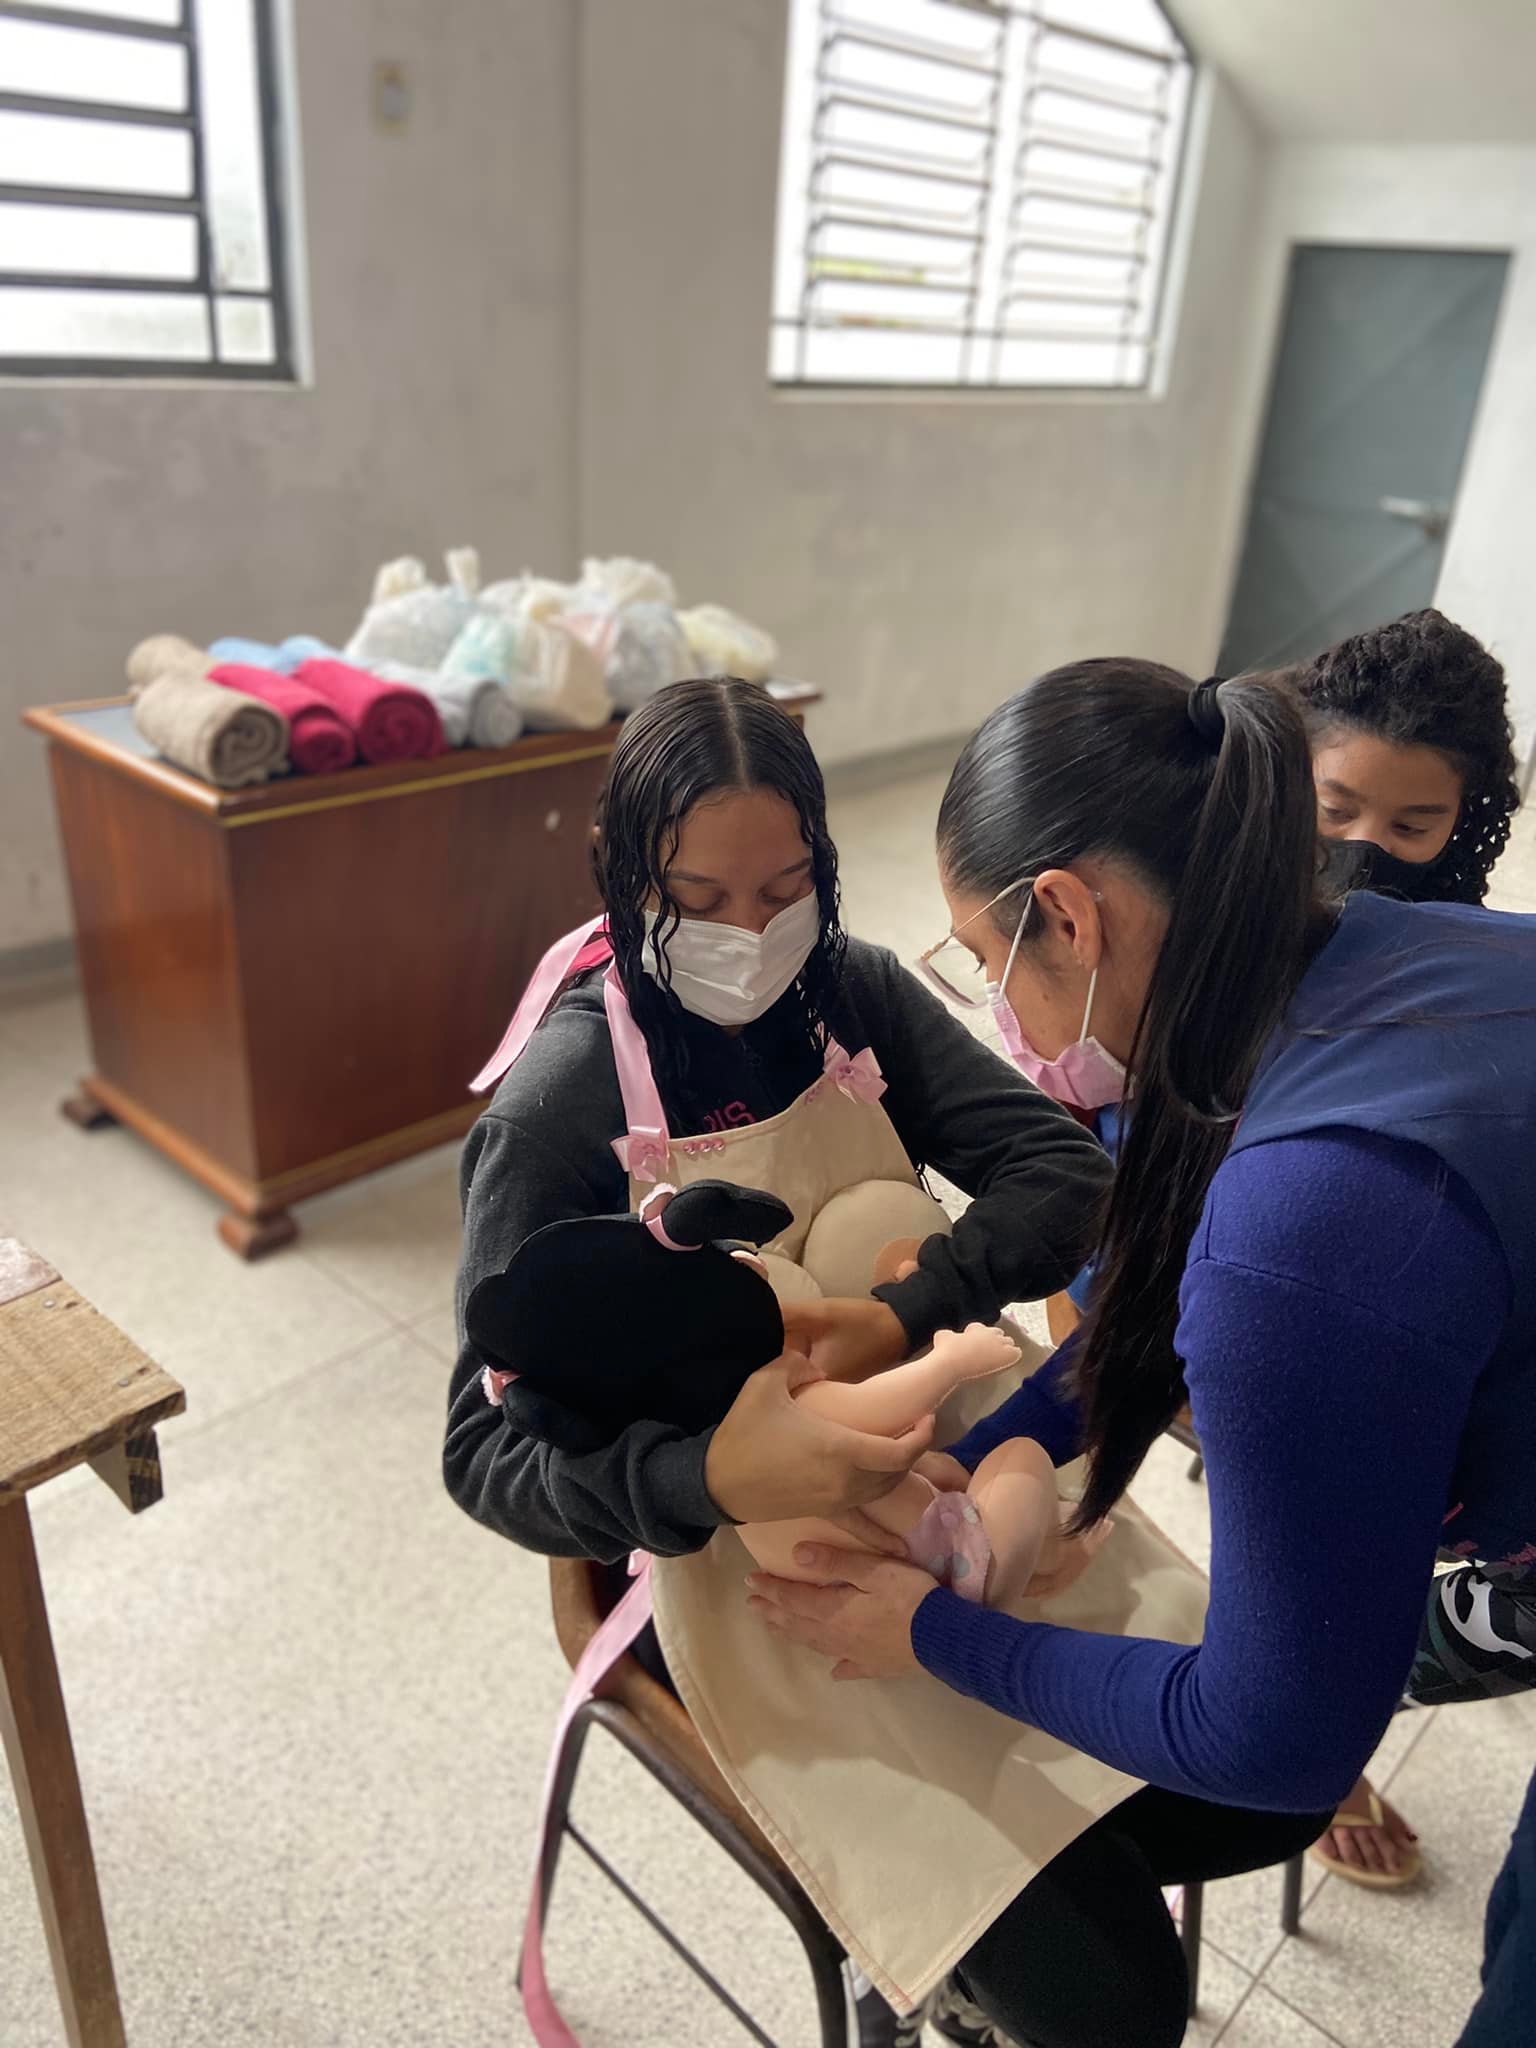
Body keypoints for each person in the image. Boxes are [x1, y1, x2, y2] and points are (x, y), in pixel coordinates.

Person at [747, 658, 1535, 2048]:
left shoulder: (1309, 1226)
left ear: (1065, 915)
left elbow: (1278, 1743)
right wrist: (985, 1453)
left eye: (979, 961)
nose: (997, 1015)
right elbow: (1165, 1309)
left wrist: (931, 1632)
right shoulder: (1370, 960)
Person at [443, 677, 1113, 2048]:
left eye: (786, 886)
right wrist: (712, 1471)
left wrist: (909, 1308)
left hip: (933, 1469)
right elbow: (485, 1452)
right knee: (1100, 1991)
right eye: (699, 897)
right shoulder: (563, 1103)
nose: (752, 935)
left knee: (1193, 1776)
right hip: (730, 1567)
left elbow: (1060, 1174)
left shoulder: (844, 996)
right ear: (624, 878)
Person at [1296, 607, 1520, 905]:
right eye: (1334, 810)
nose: (1366, 845)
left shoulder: (1459, 947)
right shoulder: (1226, 896)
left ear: (1462, 820)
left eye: (1410, 828)